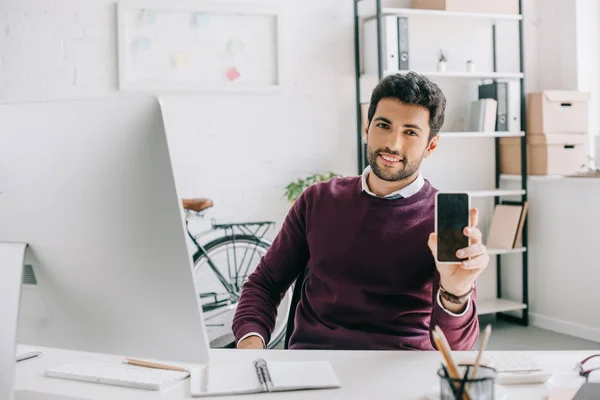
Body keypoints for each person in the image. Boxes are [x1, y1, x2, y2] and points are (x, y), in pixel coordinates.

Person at [232, 72, 490, 350]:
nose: (393, 144)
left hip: (401, 369)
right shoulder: (318, 200)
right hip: (315, 363)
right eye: (383, 125)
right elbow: (265, 284)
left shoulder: (442, 221)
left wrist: (455, 293)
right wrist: (250, 346)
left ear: (432, 145)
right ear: (367, 128)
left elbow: (456, 348)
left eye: (410, 132)